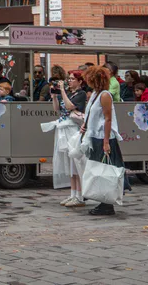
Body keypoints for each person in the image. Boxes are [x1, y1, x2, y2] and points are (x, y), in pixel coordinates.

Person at [79, 65, 130, 217]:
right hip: (96, 136)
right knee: (99, 169)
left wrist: (106, 141)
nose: (86, 81)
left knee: (105, 170)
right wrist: (85, 126)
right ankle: (104, 201)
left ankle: (107, 204)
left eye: (89, 78)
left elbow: (108, 119)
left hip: (103, 137)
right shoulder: (96, 94)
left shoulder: (104, 95)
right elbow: (93, 115)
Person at [52, 70, 88, 207]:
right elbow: (58, 109)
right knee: (70, 164)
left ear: (80, 81)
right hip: (64, 129)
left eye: (73, 79)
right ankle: (73, 194)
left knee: (76, 163)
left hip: (74, 130)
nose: (69, 81)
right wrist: (55, 96)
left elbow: (69, 106)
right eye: (69, 79)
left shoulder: (81, 94)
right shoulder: (68, 93)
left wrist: (62, 91)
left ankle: (80, 196)